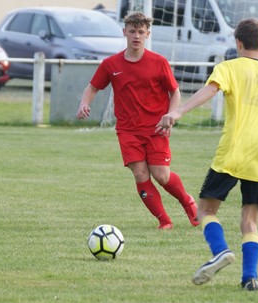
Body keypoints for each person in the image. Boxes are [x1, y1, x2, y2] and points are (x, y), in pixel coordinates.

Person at [158, 18, 258, 291]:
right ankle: (249, 278)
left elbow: (210, 90)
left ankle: (220, 251)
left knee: (206, 209)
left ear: (238, 42)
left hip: (234, 152)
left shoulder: (229, 67)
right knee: (250, 221)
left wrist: (178, 111)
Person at [76, 12, 198, 230]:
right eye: (132, 31)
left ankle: (188, 203)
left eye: (141, 32)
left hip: (156, 128)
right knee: (141, 174)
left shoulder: (158, 62)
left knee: (161, 175)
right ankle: (164, 221)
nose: (136, 36)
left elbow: (175, 92)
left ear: (147, 34)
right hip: (128, 130)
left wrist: (170, 115)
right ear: (124, 32)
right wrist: (84, 103)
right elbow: (92, 87)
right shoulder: (110, 64)